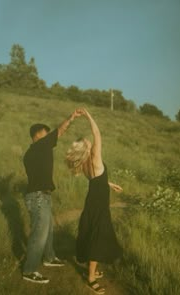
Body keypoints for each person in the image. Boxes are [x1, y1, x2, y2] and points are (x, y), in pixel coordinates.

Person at [66, 108, 122, 294]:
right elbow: (97, 133)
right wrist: (88, 115)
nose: (89, 140)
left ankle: (92, 269)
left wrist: (109, 183)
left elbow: (96, 179)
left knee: (93, 233)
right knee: (98, 237)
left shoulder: (84, 163)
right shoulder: (95, 157)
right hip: (99, 205)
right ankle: (90, 278)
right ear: (87, 148)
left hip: (92, 202)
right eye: (86, 141)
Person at [23, 109, 81, 284]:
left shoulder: (33, 152)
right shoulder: (39, 146)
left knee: (47, 230)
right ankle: (29, 270)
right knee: (39, 234)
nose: (49, 137)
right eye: (46, 134)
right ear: (38, 135)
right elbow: (60, 130)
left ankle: (49, 258)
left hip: (42, 195)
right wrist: (71, 118)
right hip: (38, 197)